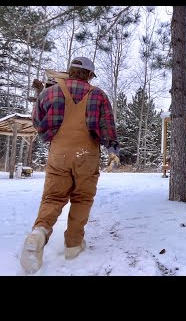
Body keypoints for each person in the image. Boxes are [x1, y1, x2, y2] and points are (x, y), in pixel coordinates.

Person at [20, 56, 119, 274]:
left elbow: (37, 122)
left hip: (59, 155)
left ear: (69, 71)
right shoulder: (98, 95)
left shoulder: (49, 92)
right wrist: (113, 151)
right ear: (90, 75)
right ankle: (73, 245)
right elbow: (107, 127)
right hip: (87, 155)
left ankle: (39, 232)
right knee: (82, 198)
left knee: (53, 198)